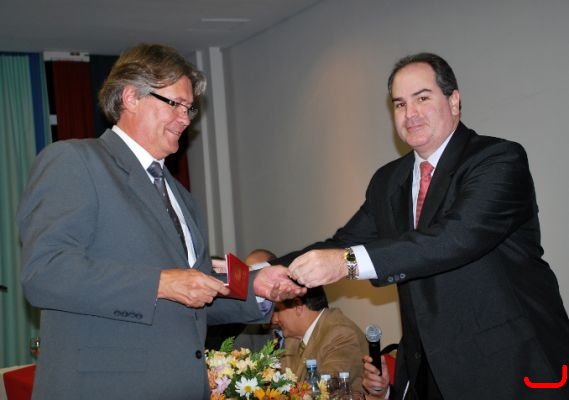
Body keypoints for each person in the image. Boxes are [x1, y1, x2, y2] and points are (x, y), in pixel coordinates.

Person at [17, 43, 304, 400]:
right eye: (175, 104)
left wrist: (255, 289)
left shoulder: (180, 195)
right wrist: (159, 283)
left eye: (189, 108)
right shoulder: (75, 161)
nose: (185, 119)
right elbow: (45, 273)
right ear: (131, 97)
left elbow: (191, 294)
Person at [276, 53, 569, 399]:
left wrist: (347, 263)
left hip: (513, 367)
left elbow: (454, 239)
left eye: (422, 98)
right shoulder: (388, 181)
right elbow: (342, 242)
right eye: (400, 104)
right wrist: (259, 274)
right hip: (430, 373)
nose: (410, 113)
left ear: (454, 101)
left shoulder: (497, 160)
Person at [272, 286, 368, 393]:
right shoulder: (292, 338)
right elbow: (277, 382)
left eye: (277, 310)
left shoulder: (341, 334)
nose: (274, 320)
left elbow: (325, 389)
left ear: (298, 306)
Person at [205, 249, 277, 351]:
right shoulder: (233, 315)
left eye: (254, 272)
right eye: (246, 271)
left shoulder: (283, 316)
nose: (248, 279)